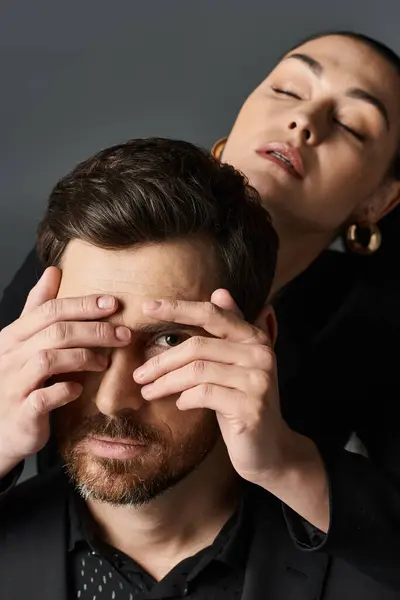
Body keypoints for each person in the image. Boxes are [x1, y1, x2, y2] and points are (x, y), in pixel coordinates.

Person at [1, 30, 400, 589]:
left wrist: (286, 461)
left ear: (379, 200)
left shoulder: (379, 327)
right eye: (287, 89)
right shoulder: (90, 247)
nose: (304, 121)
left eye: (353, 125)